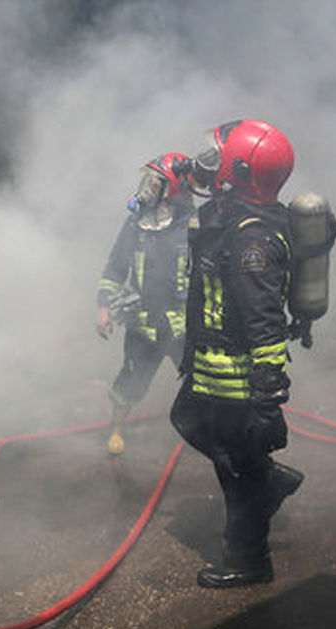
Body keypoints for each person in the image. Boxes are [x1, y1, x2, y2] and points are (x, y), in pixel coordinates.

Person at [169, 119, 306, 589]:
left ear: (242, 171)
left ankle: (248, 560)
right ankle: (270, 479)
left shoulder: (252, 239)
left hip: (238, 378)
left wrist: (269, 400)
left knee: (237, 473)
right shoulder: (231, 212)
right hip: (210, 368)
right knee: (184, 418)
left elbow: (265, 321)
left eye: (217, 157)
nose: (207, 163)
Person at [96, 153, 194, 455]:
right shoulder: (135, 226)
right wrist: (104, 308)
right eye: (148, 182)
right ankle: (116, 428)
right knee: (131, 380)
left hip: (183, 325)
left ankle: (202, 433)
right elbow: (115, 268)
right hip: (142, 323)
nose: (147, 189)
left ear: (172, 189)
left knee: (197, 381)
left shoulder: (192, 225)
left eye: (156, 184)